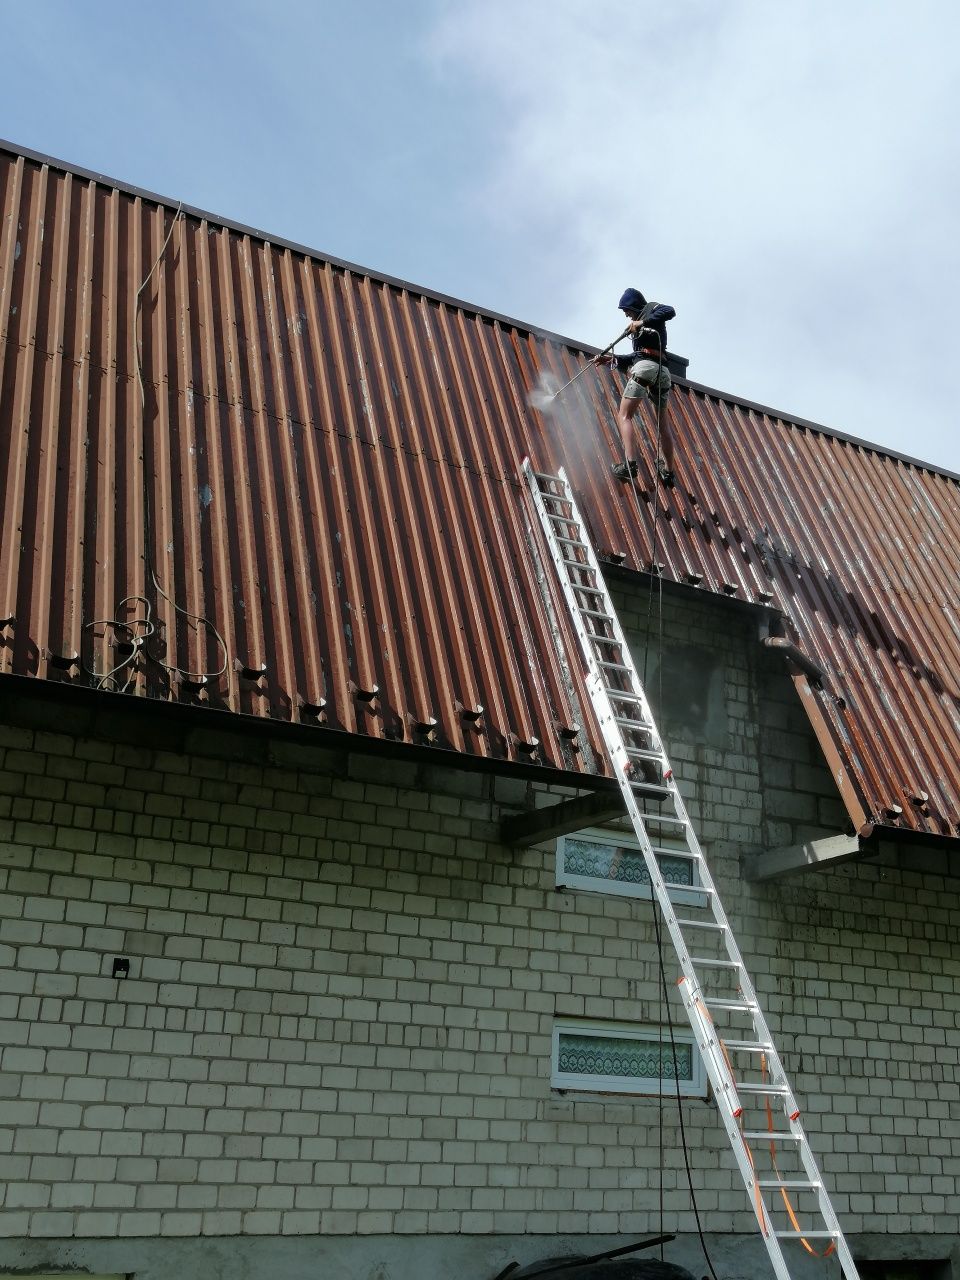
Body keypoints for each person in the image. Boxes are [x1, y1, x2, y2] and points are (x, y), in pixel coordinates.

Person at [595, 287, 676, 485]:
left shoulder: (652, 309)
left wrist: (641, 322)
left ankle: (629, 466)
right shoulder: (643, 330)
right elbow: (638, 356)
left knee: (625, 415)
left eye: (627, 310)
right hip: (663, 373)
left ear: (634, 305)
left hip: (646, 369)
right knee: (662, 425)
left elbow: (670, 310)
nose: (626, 315)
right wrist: (611, 360)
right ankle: (668, 471)